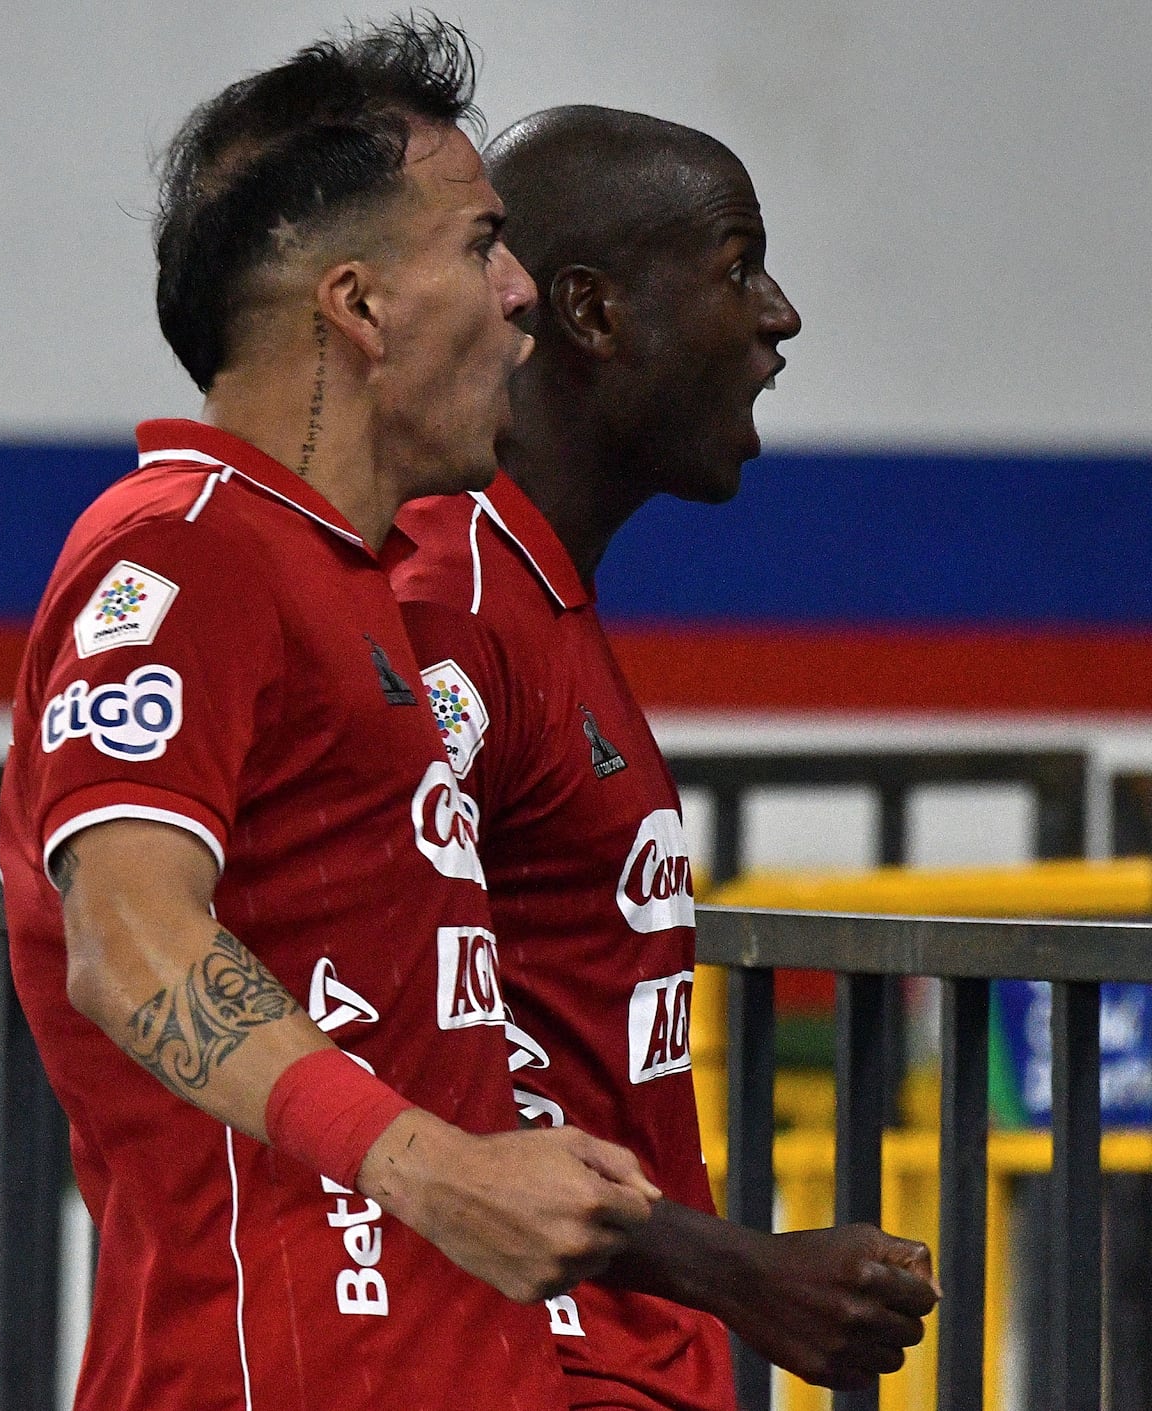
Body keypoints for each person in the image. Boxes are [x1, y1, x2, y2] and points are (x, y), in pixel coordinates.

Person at [0, 37, 662, 1411]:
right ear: (358, 306)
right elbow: (129, 945)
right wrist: (436, 1167)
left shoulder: (351, 577)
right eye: (484, 243)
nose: (522, 293)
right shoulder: (180, 557)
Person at [389, 105, 941, 1410]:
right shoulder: (447, 601)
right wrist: (731, 1267)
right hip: (522, 1368)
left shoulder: (537, 595)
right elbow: (382, 1027)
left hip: (625, 1365)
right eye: (738, 265)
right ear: (594, 314)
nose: (781, 317)